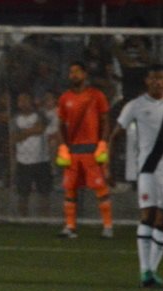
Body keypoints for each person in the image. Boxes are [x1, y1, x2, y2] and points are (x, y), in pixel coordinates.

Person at [109, 64, 163, 288]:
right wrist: (109, 168)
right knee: (147, 215)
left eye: (161, 78)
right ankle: (144, 271)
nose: (157, 82)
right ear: (146, 81)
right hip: (148, 168)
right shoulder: (135, 105)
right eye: (153, 78)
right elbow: (115, 136)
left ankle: (152, 270)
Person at [56, 61, 113, 239]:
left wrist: (103, 143)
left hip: (92, 149)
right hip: (73, 150)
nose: (73, 75)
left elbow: (105, 121)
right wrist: (63, 146)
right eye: (71, 72)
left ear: (85, 74)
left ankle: (107, 226)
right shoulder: (65, 98)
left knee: (100, 188)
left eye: (77, 71)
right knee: (70, 189)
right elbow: (60, 124)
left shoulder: (96, 95)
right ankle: (70, 226)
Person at [11, 92, 53, 218]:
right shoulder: (15, 119)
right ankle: (23, 219)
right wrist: (31, 130)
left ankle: (44, 219)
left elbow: (40, 129)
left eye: (25, 100)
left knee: (44, 193)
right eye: (20, 101)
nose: (23, 103)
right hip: (23, 161)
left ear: (31, 101)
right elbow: (14, 138)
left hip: (41, 160)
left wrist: (24, 132)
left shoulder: (40, 115)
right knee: (23, 193)